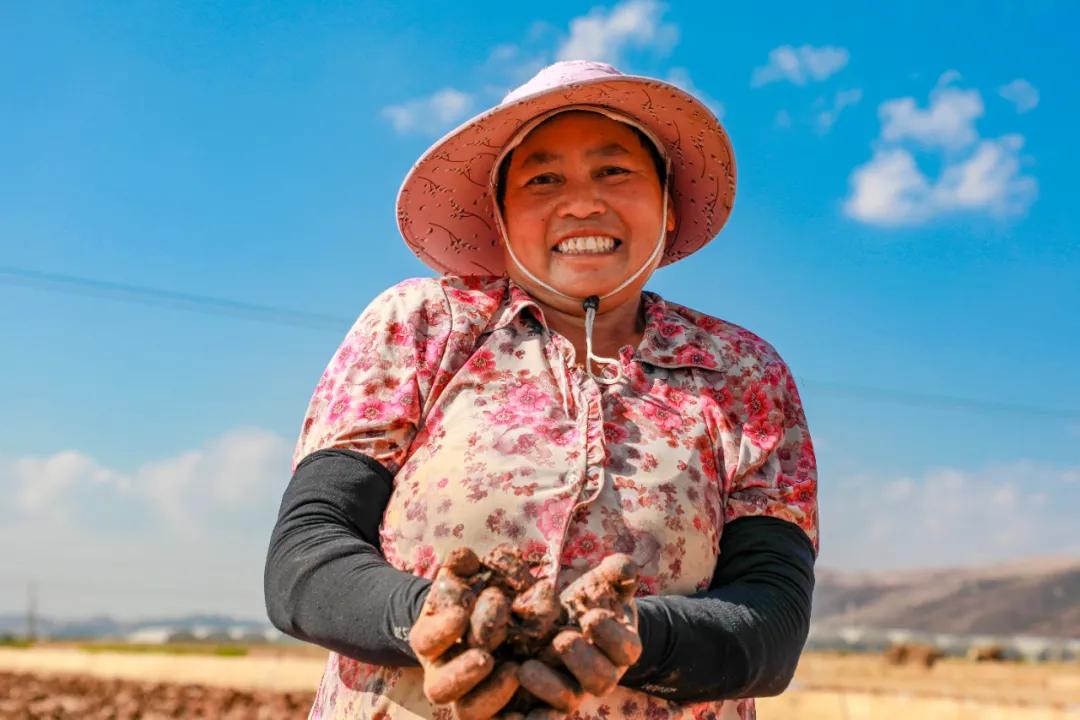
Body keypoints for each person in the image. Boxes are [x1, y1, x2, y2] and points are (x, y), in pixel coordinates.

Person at [265, 60, 819, 720]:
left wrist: (636, 639)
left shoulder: (740, 374)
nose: (582, 201)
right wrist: (433, 621)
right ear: (500, 220)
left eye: (615, 171)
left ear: (668, 210)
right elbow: (307, 558)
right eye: (542, 178)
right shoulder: (424, 329)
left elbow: (772, 618)